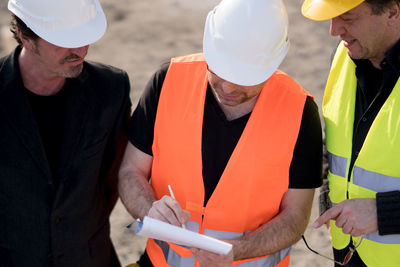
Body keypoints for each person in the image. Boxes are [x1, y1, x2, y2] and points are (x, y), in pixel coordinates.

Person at [119, 0, 322, 266]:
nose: (227, 87)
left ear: (273, 64)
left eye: (245, 79)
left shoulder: (300, 112)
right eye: (220, 71)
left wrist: (237, 250)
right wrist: (150, 211)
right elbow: (130, 171)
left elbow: (296, 217)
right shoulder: (168, 81)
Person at [0, 0, 131, 266]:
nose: (80, 49)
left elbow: (113, 177)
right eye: (65, 40)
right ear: (25, 35)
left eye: (84, 37)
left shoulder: (111, 90)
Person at [301, 0, 400, 266]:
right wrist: (329, 195)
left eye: (347, 17)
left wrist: (384, 213)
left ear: (393, 12)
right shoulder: (346, 55)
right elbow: (343, 144)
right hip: (349, 253)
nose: (334, 30)